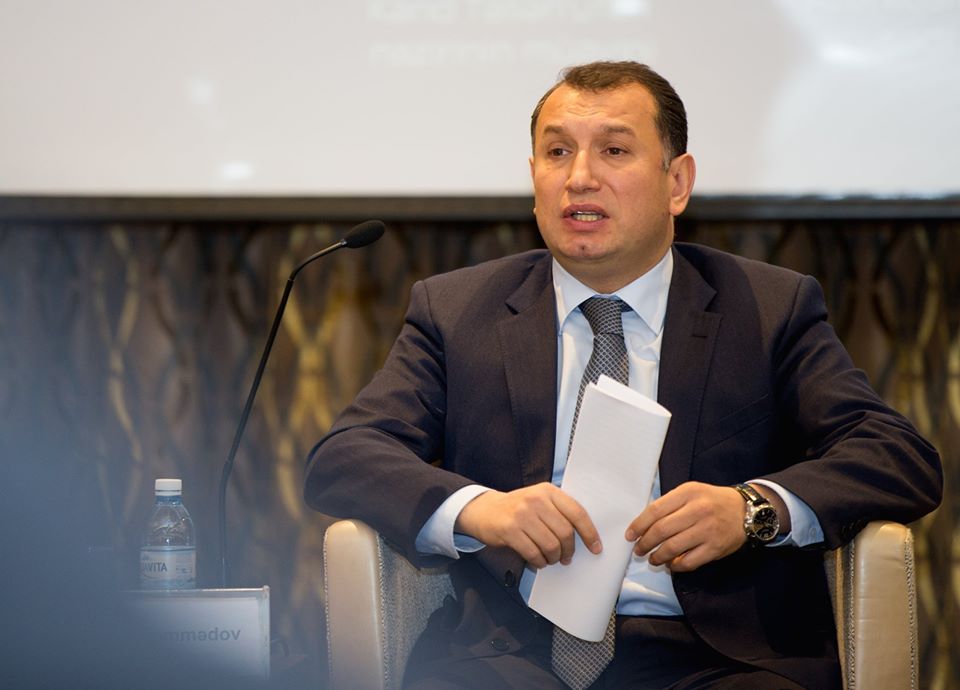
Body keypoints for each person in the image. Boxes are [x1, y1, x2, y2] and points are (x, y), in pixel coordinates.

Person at [304, 61, 942, 689]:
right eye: (557, 152)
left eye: (613, 150)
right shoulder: (457, 311)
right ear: (534, 177)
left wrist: (751, 508)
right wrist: (483, 510)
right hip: (510, 652)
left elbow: (896, 456)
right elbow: (346, 456)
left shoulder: (769, 308)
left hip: (719, 659)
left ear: (677, 183)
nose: (580, 177)